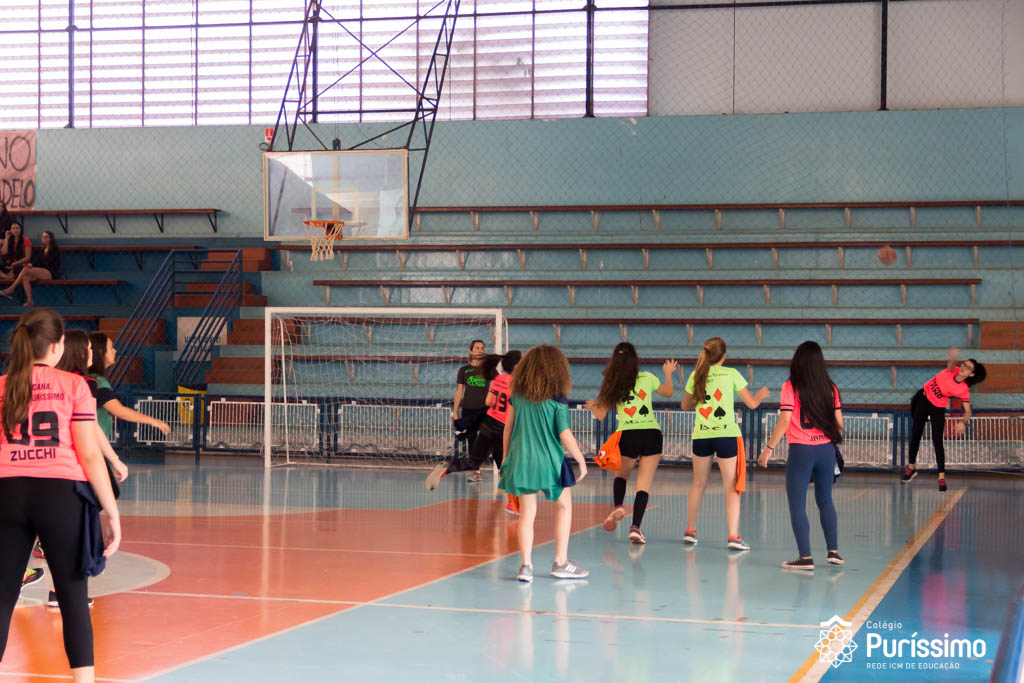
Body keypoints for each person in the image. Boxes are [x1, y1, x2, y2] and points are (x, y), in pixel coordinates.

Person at [0, 308, 121, 683]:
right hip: (60, 494)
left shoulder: (3, 385)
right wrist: (111, 512)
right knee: (72, 597)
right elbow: (89, 455)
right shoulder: (74, 385)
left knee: (2, 598)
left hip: (8, 491)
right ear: (56, 346)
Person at [31, 330, 128, 566]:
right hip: (72, 462)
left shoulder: (45, 380)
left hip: (35, 460)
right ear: (79, 352)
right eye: (89, 349)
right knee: (90, 504)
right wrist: (114, 458)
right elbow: (91, 427)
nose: (93, 353)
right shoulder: (83, 383)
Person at [499, 345, 589, 583]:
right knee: (564, 507)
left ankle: (525, 566)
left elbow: (507, 428)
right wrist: (581, 459)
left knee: (527, 514)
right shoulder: (557, 397)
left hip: (522, 459)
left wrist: (506, 457)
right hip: (550, 461)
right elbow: (564, 433)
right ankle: (560, 562)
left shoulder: (517, 395)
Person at [758, 341, 844, 571]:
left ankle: (805, 557)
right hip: (826, 449)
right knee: (825, 500)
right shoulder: (831, 388)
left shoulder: (790, 386)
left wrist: (769, 448)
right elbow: (839, 424)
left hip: (801, 451)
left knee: (797, 503)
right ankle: (833, 551)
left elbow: (785, 420)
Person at [681, 337, 769, 551]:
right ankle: (733, 536)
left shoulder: (695, 375)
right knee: (731, 487)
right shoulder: (731, 374)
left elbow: (684, 406)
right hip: (726, 435)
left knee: (698, 484)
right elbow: (752, 404)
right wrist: (760, 395)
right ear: (724, 356)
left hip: (702, 435)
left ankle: (690, 531)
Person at [584, 342, 676, 545]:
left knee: (621, 476)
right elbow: (669, 392)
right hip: (652, 434)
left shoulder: (612, 383)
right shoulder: (647, 377)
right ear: (635, 359)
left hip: (628, 435)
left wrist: (593, 407)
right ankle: (635, 527)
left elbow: (600, 415)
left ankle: (618, 505)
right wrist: (668, 374)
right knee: (644, 485)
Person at [427, 352, 523, 513]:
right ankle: (512, 503)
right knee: (510, 466)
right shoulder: (518, 384)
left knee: (474, 462)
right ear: (516, 365)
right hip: (504, 429)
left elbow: (488, 401)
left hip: (488, 424)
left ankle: (447, 468)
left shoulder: (499, 379)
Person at [902, 347, 986, 492]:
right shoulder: (953, 370)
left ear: (971, 374)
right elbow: (951, 364)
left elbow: (968, 411)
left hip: (937, 407)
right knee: (915, 434)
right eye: (964, 364)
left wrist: (963, 422)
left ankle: (941, 477)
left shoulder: (963, 389)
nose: (964, 368)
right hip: (923, 399)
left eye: (968, 368)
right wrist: (952, 357)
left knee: (937, 441)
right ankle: (911, 467)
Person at [87, 332, 171, 441]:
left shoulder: (90, 379)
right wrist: (153, 421)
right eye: (111, 348)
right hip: (92, 443)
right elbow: (119, 411)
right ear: (100, 352)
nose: (115, 351)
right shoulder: (98, 382)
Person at [452, 339, 488, 481]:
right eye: (477, 348)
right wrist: (455, 411)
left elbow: (499, 383)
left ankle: (501, 469)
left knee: (490, 439)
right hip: (468, 410)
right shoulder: (464, 370)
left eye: (482, 348)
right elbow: (459, 391)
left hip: (485, 411)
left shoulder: (488, 369)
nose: (480, 350)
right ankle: (476, 471)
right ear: (471, 351)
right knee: (472, 441)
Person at [1, 230, 61, 306]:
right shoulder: (42, 249)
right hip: (41, 271)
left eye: (46, 237)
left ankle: (11, 288)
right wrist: (31, 264)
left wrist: (35, 268)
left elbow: (54, 264)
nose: (44, 239)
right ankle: (30, 300)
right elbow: (37, 261)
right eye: (43, 237)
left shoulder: (55, 249)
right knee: (25, 278)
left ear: (51, 239)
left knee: (26, 269)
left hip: (51, 272)